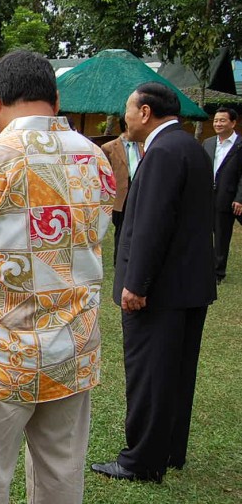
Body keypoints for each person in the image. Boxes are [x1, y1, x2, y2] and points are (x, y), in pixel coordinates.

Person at [0, 50, 116, 503]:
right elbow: (94, 235)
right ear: (55, 96)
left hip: (1, 355)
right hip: (73, 348)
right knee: (62, 478)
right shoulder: (96, 159)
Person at [92, 82, 216, 484]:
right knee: (177, 373)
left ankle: (141, 460)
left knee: (150, 376)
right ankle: (169, 449)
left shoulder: (162, 152)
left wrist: (136, 284)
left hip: (158, 291)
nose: (123, 118)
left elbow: (152, 223)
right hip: (188, 287)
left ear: (145, 112)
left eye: (127, 110)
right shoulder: (191, 147)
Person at [202, 107, 242, 284]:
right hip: (206, 196)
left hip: (228, 197)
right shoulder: (208, 143)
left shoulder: (240, 145)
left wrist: (239, 198)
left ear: (233, 123)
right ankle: (202, 267)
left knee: (221, 235)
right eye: (216, 120)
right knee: (202, 232)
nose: (217, 123)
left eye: (222, 120)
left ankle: (218, 272)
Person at [101, 124, 143, 263]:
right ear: (127, 125)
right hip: (121, 194)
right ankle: (119, 259)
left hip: (139, 190)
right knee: (121, 229)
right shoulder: (109, 147)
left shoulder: (143, 145)